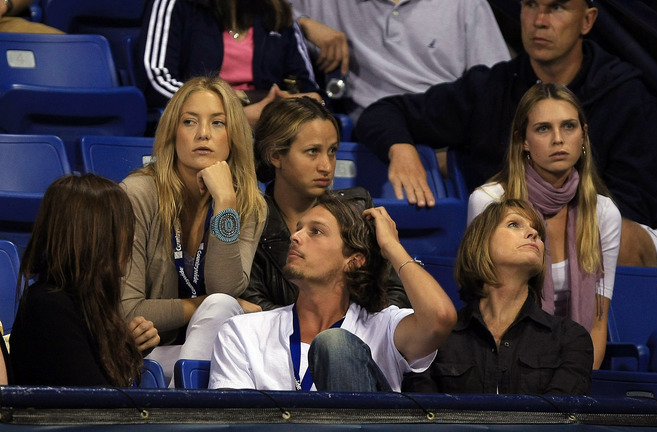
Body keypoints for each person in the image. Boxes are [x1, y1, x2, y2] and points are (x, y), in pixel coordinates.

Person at [355, 0, 657, 267]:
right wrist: (401, 149)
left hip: (596, 252)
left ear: (587, 20)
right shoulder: (492, 87)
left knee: (615, 235)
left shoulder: (624, 95)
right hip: (503, 255)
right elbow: (383, 113)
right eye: (530, 5)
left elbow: (634, 206)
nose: (539, 20)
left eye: (556, 7)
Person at [209, 191, 457, 391]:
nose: (295, 236)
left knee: (334, 344)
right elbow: (235, 421)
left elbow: (440, 318)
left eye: (315, 231)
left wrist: (391, 246)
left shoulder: (384, 327)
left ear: (354, 260)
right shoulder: (243, 332)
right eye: (298, 228)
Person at [120, 76, 266, 381]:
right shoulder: (138, 195)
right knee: (223, 306)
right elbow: (129, 312)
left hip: (214, 356)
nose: (203, 134)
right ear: (173, 133)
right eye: (189, 122)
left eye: (217, 123)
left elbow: (224, 287)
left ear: (233, 135)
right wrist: (202, 306)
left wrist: (225, 202)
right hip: (143, 355)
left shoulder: (250, 204)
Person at [467, 83, 619, 369]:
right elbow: (483, 306)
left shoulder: (604, 213)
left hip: (573, 363)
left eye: (569, 126)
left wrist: (578, 387)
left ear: (584, 135)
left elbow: (598, 323)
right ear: (522, 140)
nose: (558, 139)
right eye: (543, 129)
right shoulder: (489, 201)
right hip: (502, 360)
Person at [404, 199, 593, 395]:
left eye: (536, 230)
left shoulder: (569, 338)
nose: (534, 233)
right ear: (481, 242)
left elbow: (557, 420)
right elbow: (426, 417)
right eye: (514, 224)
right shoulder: (439, 337)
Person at [242, 96, 410, 310]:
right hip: (279, 342)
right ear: (275, 156)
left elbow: (393, 294)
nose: (326, 166)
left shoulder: (357, 207)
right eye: (313, 151)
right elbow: (255, 309)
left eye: (332, 151)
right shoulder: (250, 221)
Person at [10, 174, 160, 386]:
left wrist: (126, 349)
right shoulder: (49, 308)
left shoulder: (80, 304)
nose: (133, 239)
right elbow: (94, 403)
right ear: (96, 236)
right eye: (125, 227)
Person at [290, 0, 511, 124]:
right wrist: (302, 25)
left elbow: (498, 89)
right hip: (367, 129)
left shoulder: (467, 5)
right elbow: (269, 11)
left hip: (442, 132)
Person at [140, 0, 321, 126]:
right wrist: (233, 112)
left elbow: (307, 87)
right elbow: (157, 83)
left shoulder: (277, 11)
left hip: (273, 121)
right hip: (204, 119)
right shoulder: (176, 4)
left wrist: (300, 100)